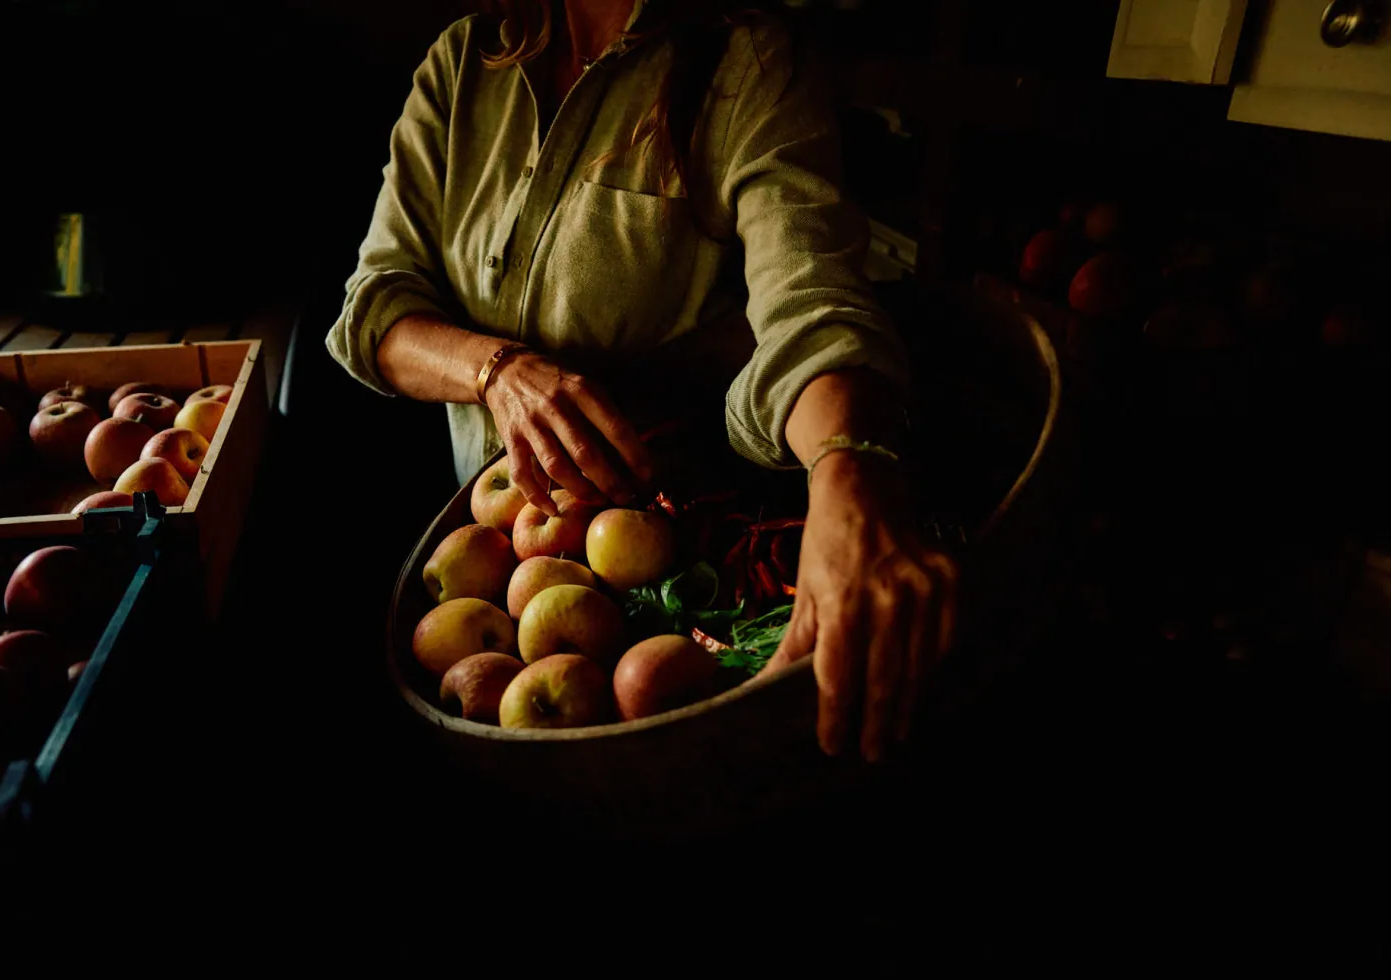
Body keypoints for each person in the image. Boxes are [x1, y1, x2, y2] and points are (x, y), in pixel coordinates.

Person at [328, 0, 957, 761]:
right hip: (491, 568)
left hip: (671, 564)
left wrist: (850, 472)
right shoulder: (466, 59)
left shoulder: (743, 59)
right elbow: (377, 307)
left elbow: (809, 299)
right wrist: (498, 373)